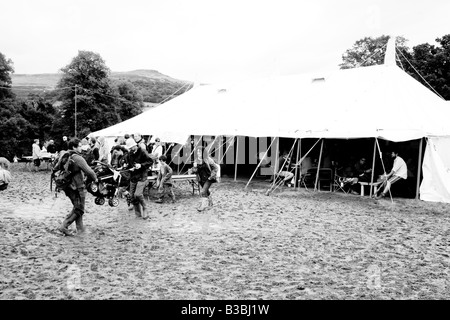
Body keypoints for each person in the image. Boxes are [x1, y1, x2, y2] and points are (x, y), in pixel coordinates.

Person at [58, 138, 98, 236]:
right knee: (80, 209)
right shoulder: (77, 158)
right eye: (79, 146)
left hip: (68, 186)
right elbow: (89, 171)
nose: (81, 148)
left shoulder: (67, 156)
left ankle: (80, 229)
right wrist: (95, 179)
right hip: (77, 186)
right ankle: (64, 226)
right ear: (74, 147)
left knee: (77, 207)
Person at [123, 138, 153, 219]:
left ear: (135, 145)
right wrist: (128, 167)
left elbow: (150, 161)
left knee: (138, 194)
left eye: (131, 147)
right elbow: (129, 164)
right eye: (129, 148)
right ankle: (138, 213)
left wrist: (141, 165)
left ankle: (145, 208)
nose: (131, 149)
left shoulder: (142, 152)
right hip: (133, 176)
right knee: (132, 196)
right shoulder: (129, 154)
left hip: (142, 176)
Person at [190, 146, 220, 212]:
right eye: (197, 151)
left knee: (203, 192)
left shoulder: (208, 159)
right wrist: (194, 168)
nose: (198, 153)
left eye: (200, 151)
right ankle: (211, 202)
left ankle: (202, 206)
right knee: (206, 191)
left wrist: (211, 176)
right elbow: (195, 171)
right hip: (201, 179)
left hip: (209, 178)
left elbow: (215, 168)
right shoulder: (196, 160)